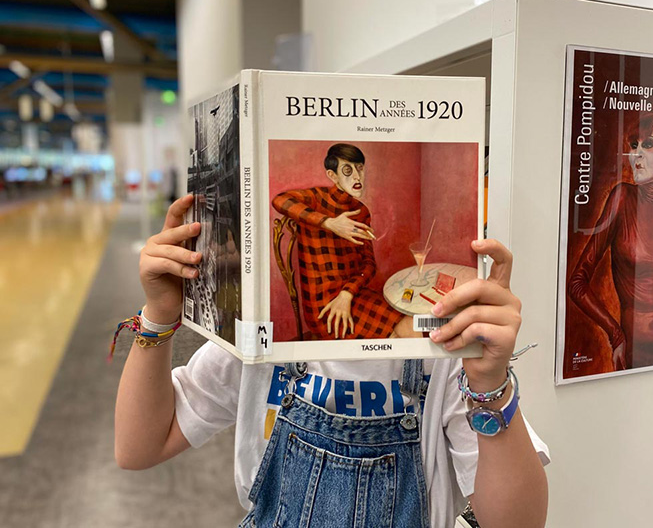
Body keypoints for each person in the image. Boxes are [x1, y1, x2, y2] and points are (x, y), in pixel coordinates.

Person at [116, 194, 549, 527]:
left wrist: (490, 381)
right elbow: (139, 447)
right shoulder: (260, 343)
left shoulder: (444, 353)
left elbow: (518, 523)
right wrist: (158, 316)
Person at [568, 112, 653, 371]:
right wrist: (615, 334)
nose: (636, 154)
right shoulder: (622, 199)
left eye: (648, 144)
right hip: (636, 352)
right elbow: (576, 283)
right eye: (633, 145)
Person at [271, 143, 413, 340]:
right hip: (325, 306)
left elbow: (369, 264)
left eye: (360, 168)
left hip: (353, 295)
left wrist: (348, 293)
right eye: (348, 170)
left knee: (410, 328)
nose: (357, 176)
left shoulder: (361, 211)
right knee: (403, 334)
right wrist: (329, 223)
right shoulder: (316, 198)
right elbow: (280, 200)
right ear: (333, 176)